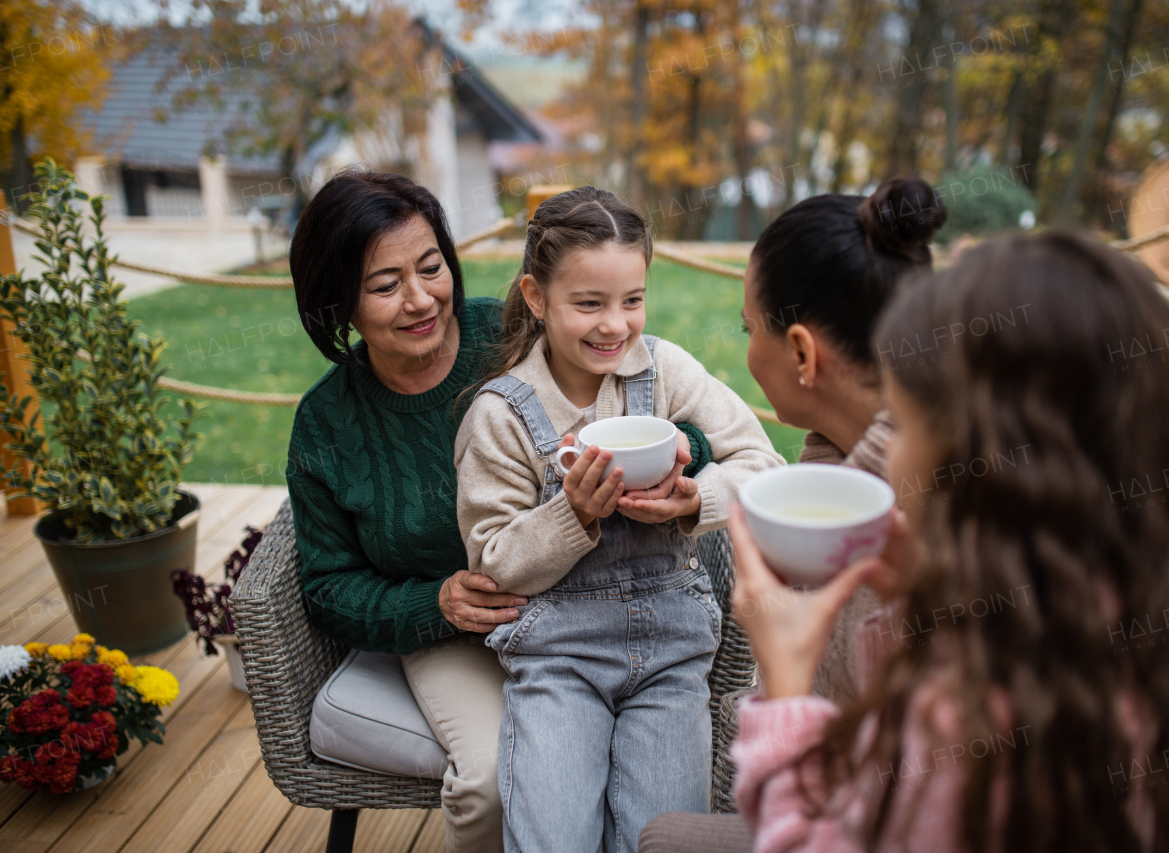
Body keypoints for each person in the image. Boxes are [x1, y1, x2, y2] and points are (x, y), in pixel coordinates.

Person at [726, 231, 1169, 852]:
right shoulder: (1151, 612)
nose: (887, 451)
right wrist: (924, 606)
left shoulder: (963, 722)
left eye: (900, 425)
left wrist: (787, 688)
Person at [285, 171, 711, 853]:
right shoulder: (327, 424)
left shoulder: (511, 333)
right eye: (385, 285)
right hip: (455, 627)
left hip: (579, 602)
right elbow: (326, 587)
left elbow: (638, 390)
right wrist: (437, 601)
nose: (421, 298)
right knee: (489, 778)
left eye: (431, 268)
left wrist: (690, 452)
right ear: (339, 303)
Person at [453, 185, 785, 853]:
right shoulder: (500, 414)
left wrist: (695, 498)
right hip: (557, 661)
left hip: (671, 656)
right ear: (537, 297)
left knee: (658, 839)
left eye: (632, 300)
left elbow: (765, 464)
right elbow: (491, 559)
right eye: (589, 303)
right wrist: (571, 513)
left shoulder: (663, 371)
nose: (615, 324)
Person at [739, 177, 947, 707]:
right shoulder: (847, 463)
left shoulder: (923, 518)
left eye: (749, 330)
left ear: (802, 355)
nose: (749, 351)